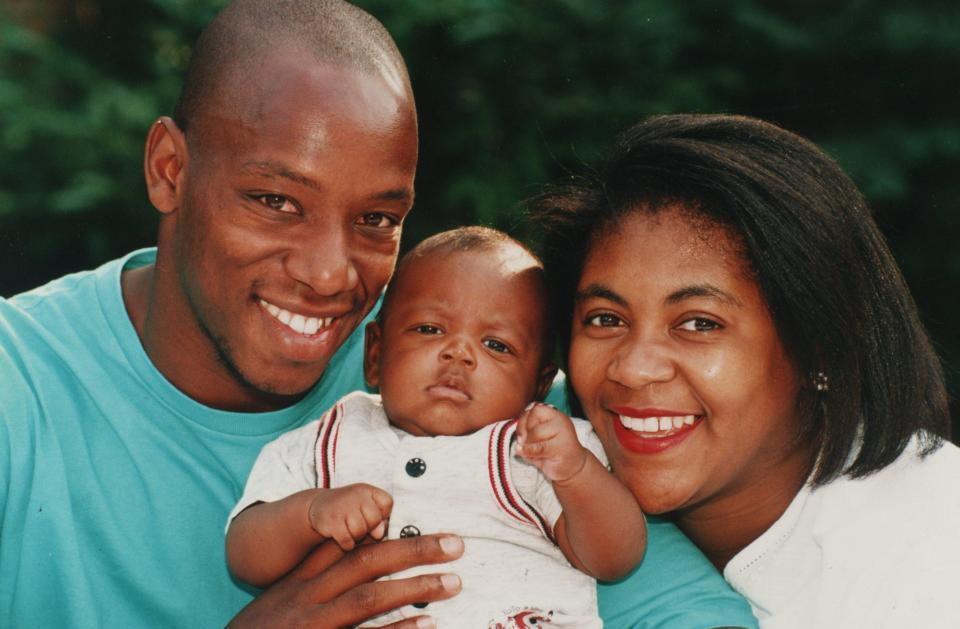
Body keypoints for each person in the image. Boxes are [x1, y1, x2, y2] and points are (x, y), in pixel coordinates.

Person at [0, 1, 757, 626]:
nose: (330, 273)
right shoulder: (19, 390)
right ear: (170, 170)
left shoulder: (491, 407)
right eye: (275, 202)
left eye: (377, 220)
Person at [532, 113, 960, 628]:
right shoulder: (521, 442)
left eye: (698, 323)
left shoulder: (931, 556)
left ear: (820, 347)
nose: (634, 369)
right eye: (605, 318)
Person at [226, 227, 647, 626]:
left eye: (496, 345)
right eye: (430, 329)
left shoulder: (534, 449)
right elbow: (246, 555)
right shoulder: (330, 438)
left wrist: (574, 472)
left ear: (538, 385)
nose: (459, 353)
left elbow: (614, 558)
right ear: (375, 354)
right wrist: (311, 512)